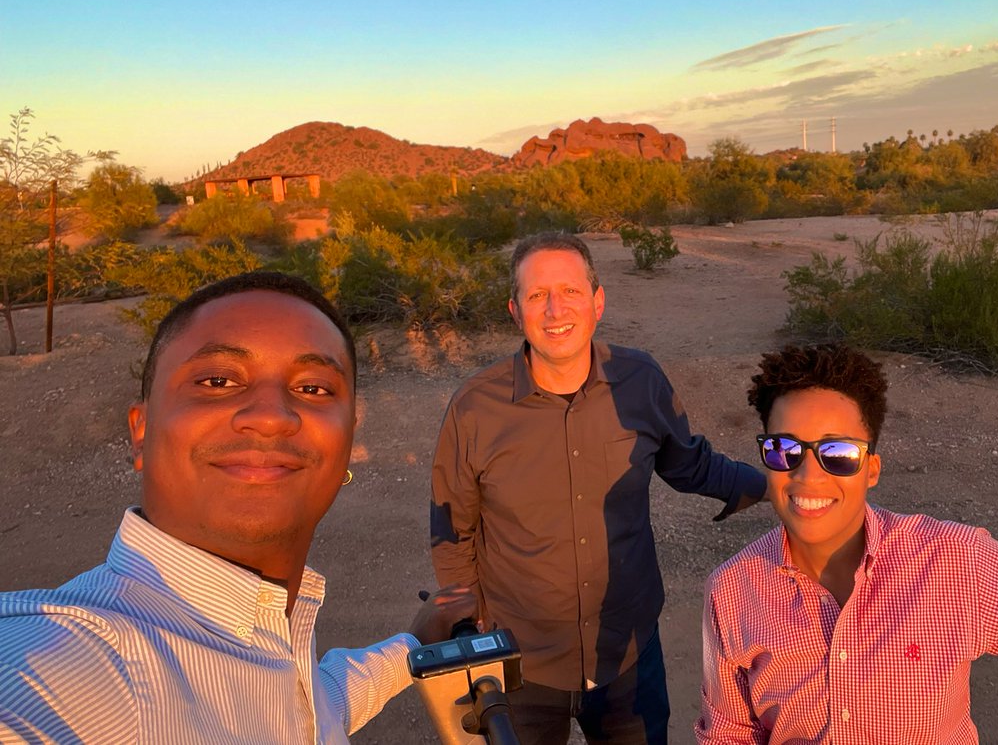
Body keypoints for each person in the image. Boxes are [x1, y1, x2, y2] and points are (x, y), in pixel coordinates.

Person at [0, 271, 475, 743]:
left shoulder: (266, 642)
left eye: (313, 389)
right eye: (218, 380)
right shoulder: (59, 663)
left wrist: (415, 642)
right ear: (141, 430)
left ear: (348, 438)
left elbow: (311, 707)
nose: (271, 416)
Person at [696, 343, 998, 744]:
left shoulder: (954, 564)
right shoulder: (732, 591)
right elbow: (731, 733)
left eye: (838, 453)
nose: (807, 474)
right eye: (784, 450)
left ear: (871, 469)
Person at [431, 231, 766, 744]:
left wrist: (773, 485)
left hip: (627, 653)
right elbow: (453, 530)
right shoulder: (475, 408)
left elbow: (689, 464)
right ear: (515, 312)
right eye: (537, 295)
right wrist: (467, 622)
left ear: (598, 302)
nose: (554, 309)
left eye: (569, 291)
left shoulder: (641, 380)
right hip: (521, 662)